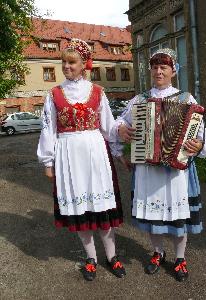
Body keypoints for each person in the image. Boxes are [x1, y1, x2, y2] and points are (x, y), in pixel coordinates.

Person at [114, 48, 206, 282]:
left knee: (178, 217)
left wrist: (199, 144)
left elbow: (202, 133)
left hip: (175, 172)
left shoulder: (186, 99)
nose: (158, 71)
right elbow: (119, 121)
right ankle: (158, 252)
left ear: (173, 71)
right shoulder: (140, 100)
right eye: (155, 67)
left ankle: (180, 258)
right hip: (148, 170)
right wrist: (121, 129)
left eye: (163, 67)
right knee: (152, 218)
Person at [37, 38, 126, 281]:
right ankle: (91, 258)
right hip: (68, 156)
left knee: (102, 207)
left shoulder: (98, 92)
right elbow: (49, 129)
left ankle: (112, 256)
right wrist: (48, 161)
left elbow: (108, 127)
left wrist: (118, 152)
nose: (66, 66)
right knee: (80, 209)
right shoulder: (54, 94)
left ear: (84, 63)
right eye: (63, 62)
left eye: (72, 62)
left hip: (96, 153)